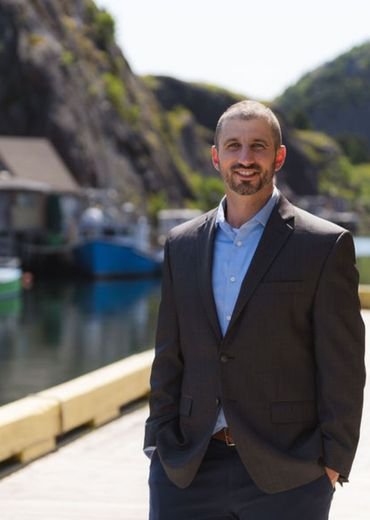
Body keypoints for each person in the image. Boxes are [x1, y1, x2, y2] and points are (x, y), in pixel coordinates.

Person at [144, 100, 365, 519]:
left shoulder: (324, 245)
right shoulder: (181, 245)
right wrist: (158, 442)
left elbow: (344, 366)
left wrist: (332, 462)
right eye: (234, 147)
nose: (245, 159)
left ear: (278, 156)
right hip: (188, 467)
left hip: (289, 473)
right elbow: (169, 354)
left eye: (258, 146)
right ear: (216, 157)